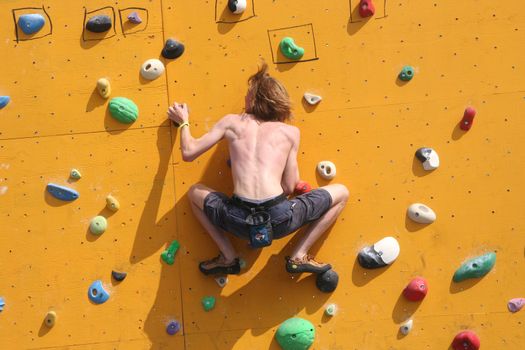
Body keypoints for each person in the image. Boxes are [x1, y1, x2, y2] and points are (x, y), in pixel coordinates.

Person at [167, 62, 349, 276]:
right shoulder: (290, 132)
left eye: (248, 94)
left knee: (195, 193)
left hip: (237, 219)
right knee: (342, 193)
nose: (244, 99)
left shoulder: (232, 122)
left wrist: (183, 122)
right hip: (279, 219)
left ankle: (228, 256)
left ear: (255, 98)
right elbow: (289, 185)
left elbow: (188, 152)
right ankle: (299, 255)